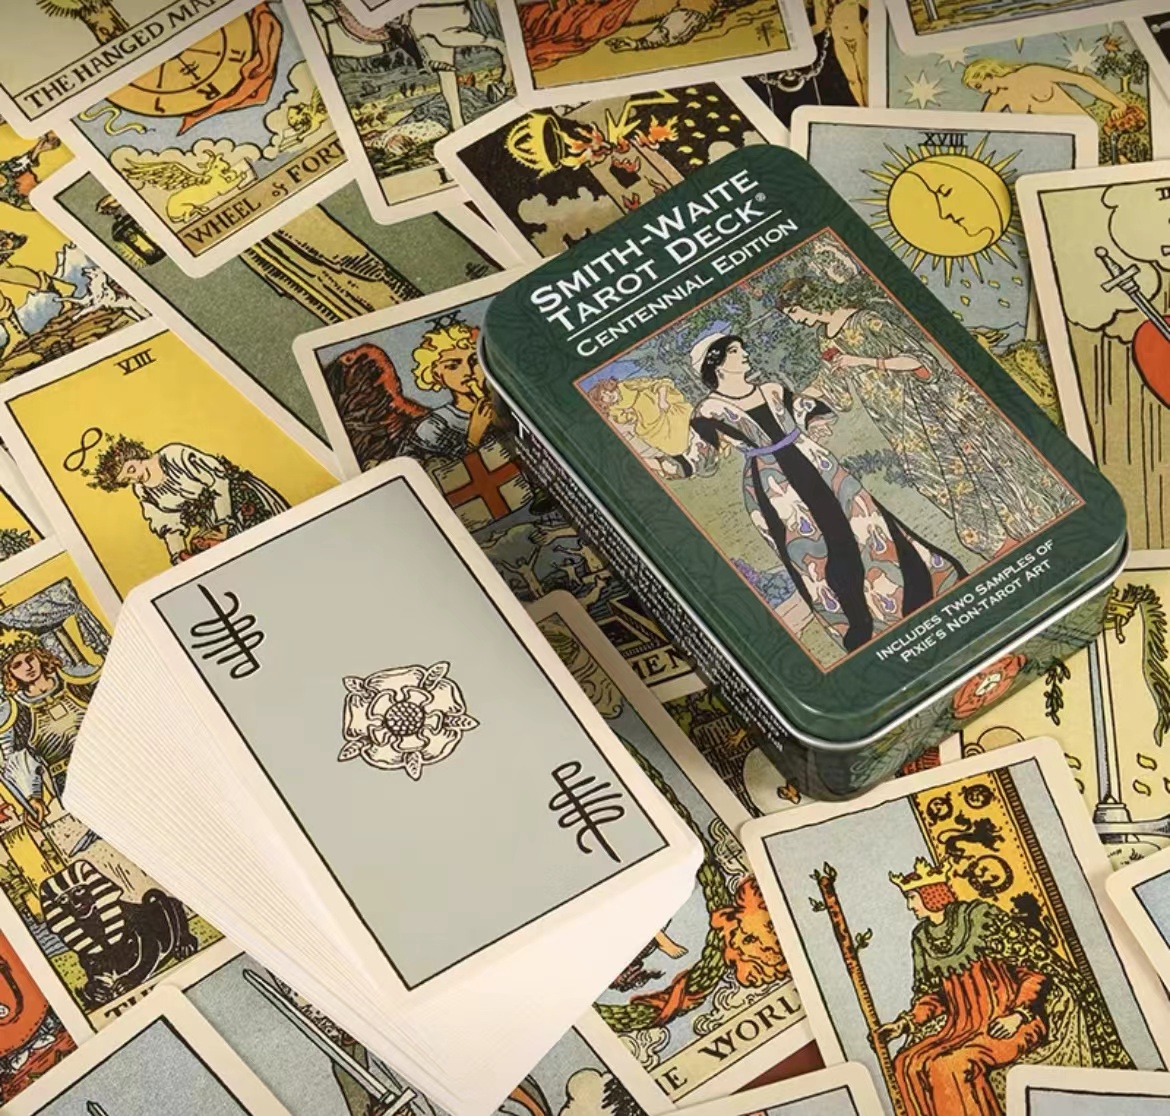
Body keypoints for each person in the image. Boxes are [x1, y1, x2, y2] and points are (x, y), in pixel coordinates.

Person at [657, 333, 964, 653]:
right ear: (717, 364)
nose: (745, 353)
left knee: (870, 529)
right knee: (815, 555)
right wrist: (667, 465)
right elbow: (699, 458)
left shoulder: (771, 389)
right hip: (775, 489)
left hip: (820, 467)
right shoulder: (709, 410)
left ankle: (919, 592)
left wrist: (816, 423)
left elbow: (809, 408)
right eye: (735, 351)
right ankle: (861, 628)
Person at [775, 275, 1076, 560]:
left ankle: (1030, 526)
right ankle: (995, 543)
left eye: (794, 311)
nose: (795, 319)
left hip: (928, 406)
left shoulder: (866, 320)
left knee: (974, 466)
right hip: (894, 419)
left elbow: (919, 360)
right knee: (930, 479)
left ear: (811, 300)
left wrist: (862, 361)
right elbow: (833, 385)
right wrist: (792, 398)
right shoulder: (824, 339)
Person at [874, 859, 1132, 1116]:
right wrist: (905, 1024)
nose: (910, 906)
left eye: (912, 898)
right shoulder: (922, 937)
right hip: (959, 1029)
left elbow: (1034, 972)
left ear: (931, 893)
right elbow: (934, 996)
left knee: (952, 1065)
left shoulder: (981, 917)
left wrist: (1018, 1015)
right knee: (906, 1064)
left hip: (1012, 1021)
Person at [89, 436, 289, 564]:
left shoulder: (173, 455)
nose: (135, 477)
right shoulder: (142, 490)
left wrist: (222, 527)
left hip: (236, 501)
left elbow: (219, 483)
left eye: (132, 469)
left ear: (137, 455)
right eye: (127, 479)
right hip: (211, 523)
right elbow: (167, 523)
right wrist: (179, 556)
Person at [0, 629, 100, 816]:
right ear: (9, 673)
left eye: (30, 659)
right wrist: (33, 796)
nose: (27, 667)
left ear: (39, 656)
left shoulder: (78, 682)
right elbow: (20, 759)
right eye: (17, 665)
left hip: (109, 759)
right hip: (71, 782)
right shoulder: (18, 714)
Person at [405, 320, 496, 458]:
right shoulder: (433, 426)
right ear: (437, 376)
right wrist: (473, 438)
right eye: (453, 366)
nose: (468, 371)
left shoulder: (504, 398)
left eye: (474, 361)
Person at [961, 58, 1129, 121]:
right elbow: (982, 125)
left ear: (988, 75)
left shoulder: (1032, 73)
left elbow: (1082, 80)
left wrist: (1118, 104)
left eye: (979, 86)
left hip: (1085, 130)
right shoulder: (998, 98)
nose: (981, 92)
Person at [587, 375, 693, 458]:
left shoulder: (625, 385)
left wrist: (662, 400)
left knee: (686, 424)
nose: (608, 395)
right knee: (672, 446)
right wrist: (631, 414)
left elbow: (660, 382)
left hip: (662, 408)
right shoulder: (613, 408)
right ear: (602, 403)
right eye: (603, 397)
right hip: (649, 425)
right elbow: (624, 418)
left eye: (605, 391)